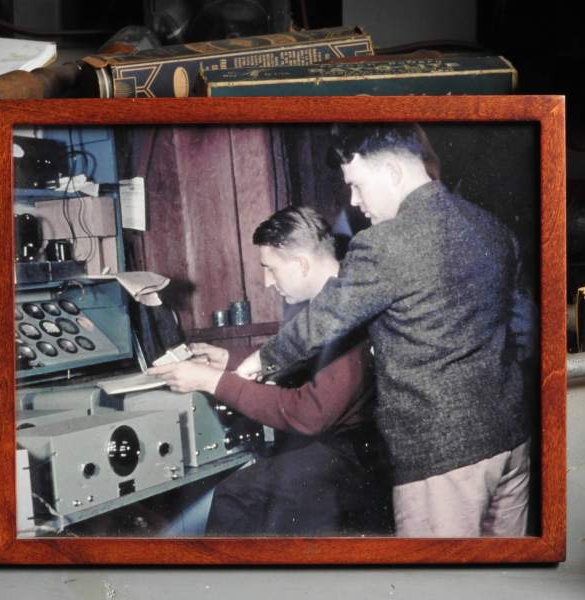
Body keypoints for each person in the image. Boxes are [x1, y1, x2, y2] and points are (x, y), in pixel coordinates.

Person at [235, 125, 536, 537]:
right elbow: (523, 329)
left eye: (357, 186)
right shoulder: (491, 228)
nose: (355, 203)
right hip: (512, 442)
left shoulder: (385, 243)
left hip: (442, 459)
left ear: (393, 170)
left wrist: (262, 359)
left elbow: (327, 316)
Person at [149, 206, 393, 536]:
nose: (265, 282)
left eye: (270, 269)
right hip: (356, 449)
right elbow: (307, 364)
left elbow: (310, 414)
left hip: (356, 460)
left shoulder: (339, 318)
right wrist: (231, 360)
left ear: (302, 264)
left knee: (236, 495)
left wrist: (214, 381)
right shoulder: (337, 302)